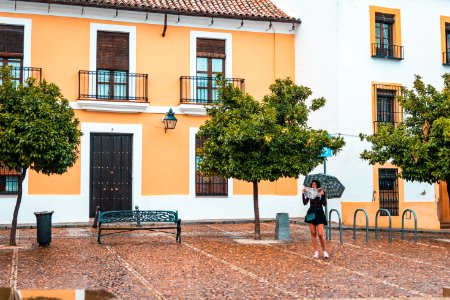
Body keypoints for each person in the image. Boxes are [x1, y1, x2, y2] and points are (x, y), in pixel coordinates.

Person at [302, 180, 329, 259]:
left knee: (320, 234)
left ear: (317, 185)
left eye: (314, 184)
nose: (313, 186)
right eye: (312, 185)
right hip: (311, 213)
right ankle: (316, 252)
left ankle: (324, 251)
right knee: (313, 233)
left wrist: (323, 195)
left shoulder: (321, 192)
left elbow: (324, 204)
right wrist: (303, 193)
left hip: (320, 213)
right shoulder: (310, 193)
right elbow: (304, 202)